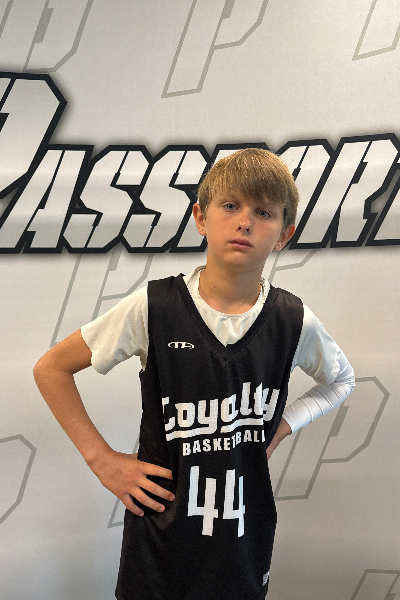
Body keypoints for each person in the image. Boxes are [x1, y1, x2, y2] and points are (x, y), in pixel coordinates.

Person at [34, 148, 355, 600]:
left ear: (284, 234)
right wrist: (101, 460)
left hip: (244, 538)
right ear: (201, 218)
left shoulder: (292, 319)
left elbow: (341, 381)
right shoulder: (155, 306)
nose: (245, 222)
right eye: (231, 206)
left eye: (264, 212)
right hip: (160, 541)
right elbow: (51, 368)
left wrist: (280, 428)